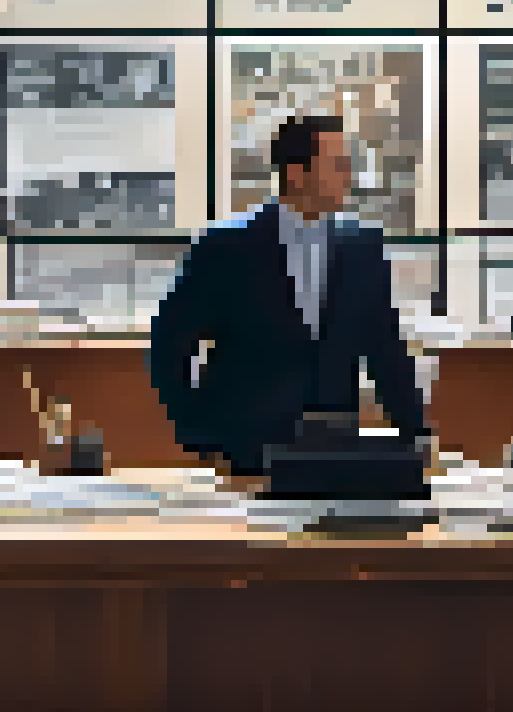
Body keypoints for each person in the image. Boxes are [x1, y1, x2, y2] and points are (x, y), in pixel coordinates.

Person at [148, 115, 429, 478]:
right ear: (296, 173)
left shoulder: (366, 249)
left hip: (334, 452)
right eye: (338, 165)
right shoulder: (226, 248)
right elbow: (169, 345)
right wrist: (197, 436)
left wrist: (416, 435)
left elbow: (387, 353)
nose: (348, 176)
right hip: (245, 455)